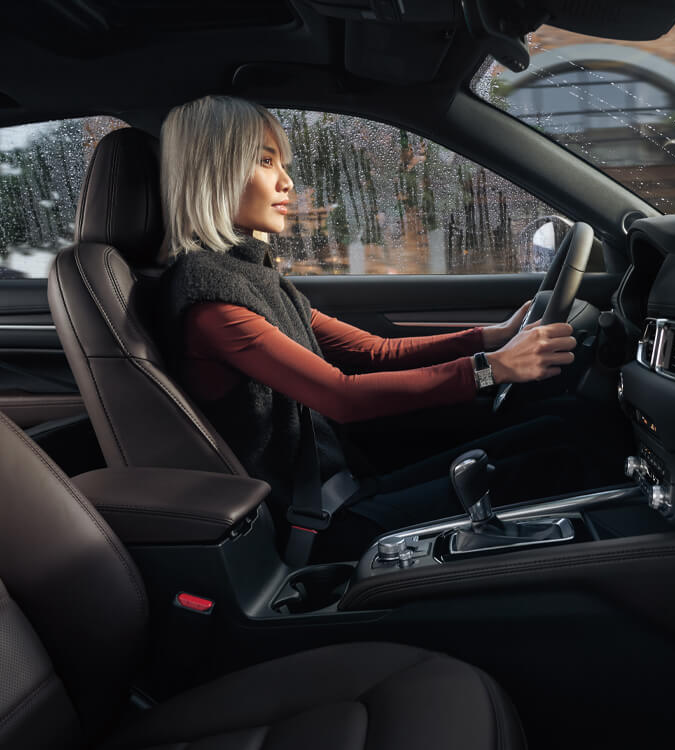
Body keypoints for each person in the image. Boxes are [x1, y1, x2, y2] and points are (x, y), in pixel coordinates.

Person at [157, 95, 606, 561]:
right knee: (561, 460)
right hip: (320, 521)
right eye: (266, 162)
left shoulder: (254, 278)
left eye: (282, 163)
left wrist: (491, 337)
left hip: (344, 480)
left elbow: (372, 352)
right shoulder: (211, 301)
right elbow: (341, 397)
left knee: (559, 426)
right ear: (213, 172)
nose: (287, 182)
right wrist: (491, 369)